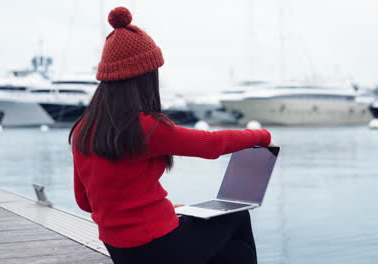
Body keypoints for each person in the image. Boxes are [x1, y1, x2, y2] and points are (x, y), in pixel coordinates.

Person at [69, 6, 273, 264]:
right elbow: (211, 145)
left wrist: (167, 210)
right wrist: (261, 136)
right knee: (237, 215)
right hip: (155, 247)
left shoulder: (82, 129)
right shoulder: (145, 127)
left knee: (233, 255)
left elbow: (85, 202)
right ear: (145, 77)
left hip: (123, 252)